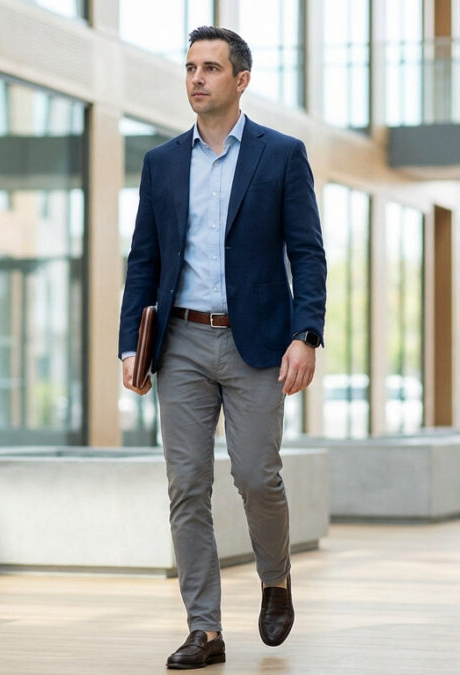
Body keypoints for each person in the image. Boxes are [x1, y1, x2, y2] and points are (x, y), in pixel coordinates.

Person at [118, 26, 326, 670]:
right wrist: (130, 345)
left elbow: (307, 254)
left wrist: (306, 335)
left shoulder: (281, 155)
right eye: (190, 68)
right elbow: (143, 259)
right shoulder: (161, 163)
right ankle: (204, 629)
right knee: (186, 484)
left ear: (241, 80)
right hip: (179, 341)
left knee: (257, 476)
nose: (196, 78)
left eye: (210, 68)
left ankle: (275, 578)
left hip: (256, 342)